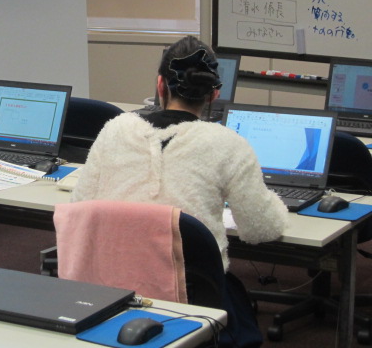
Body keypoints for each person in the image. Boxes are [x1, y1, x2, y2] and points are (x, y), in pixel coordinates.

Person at [71, 35, 288, 347]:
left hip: (109, 290)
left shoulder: (115, 128)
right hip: (191, 297)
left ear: (160, 85)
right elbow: (261, 228)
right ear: (214, 94)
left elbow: (80, 208)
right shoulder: (228, 143)